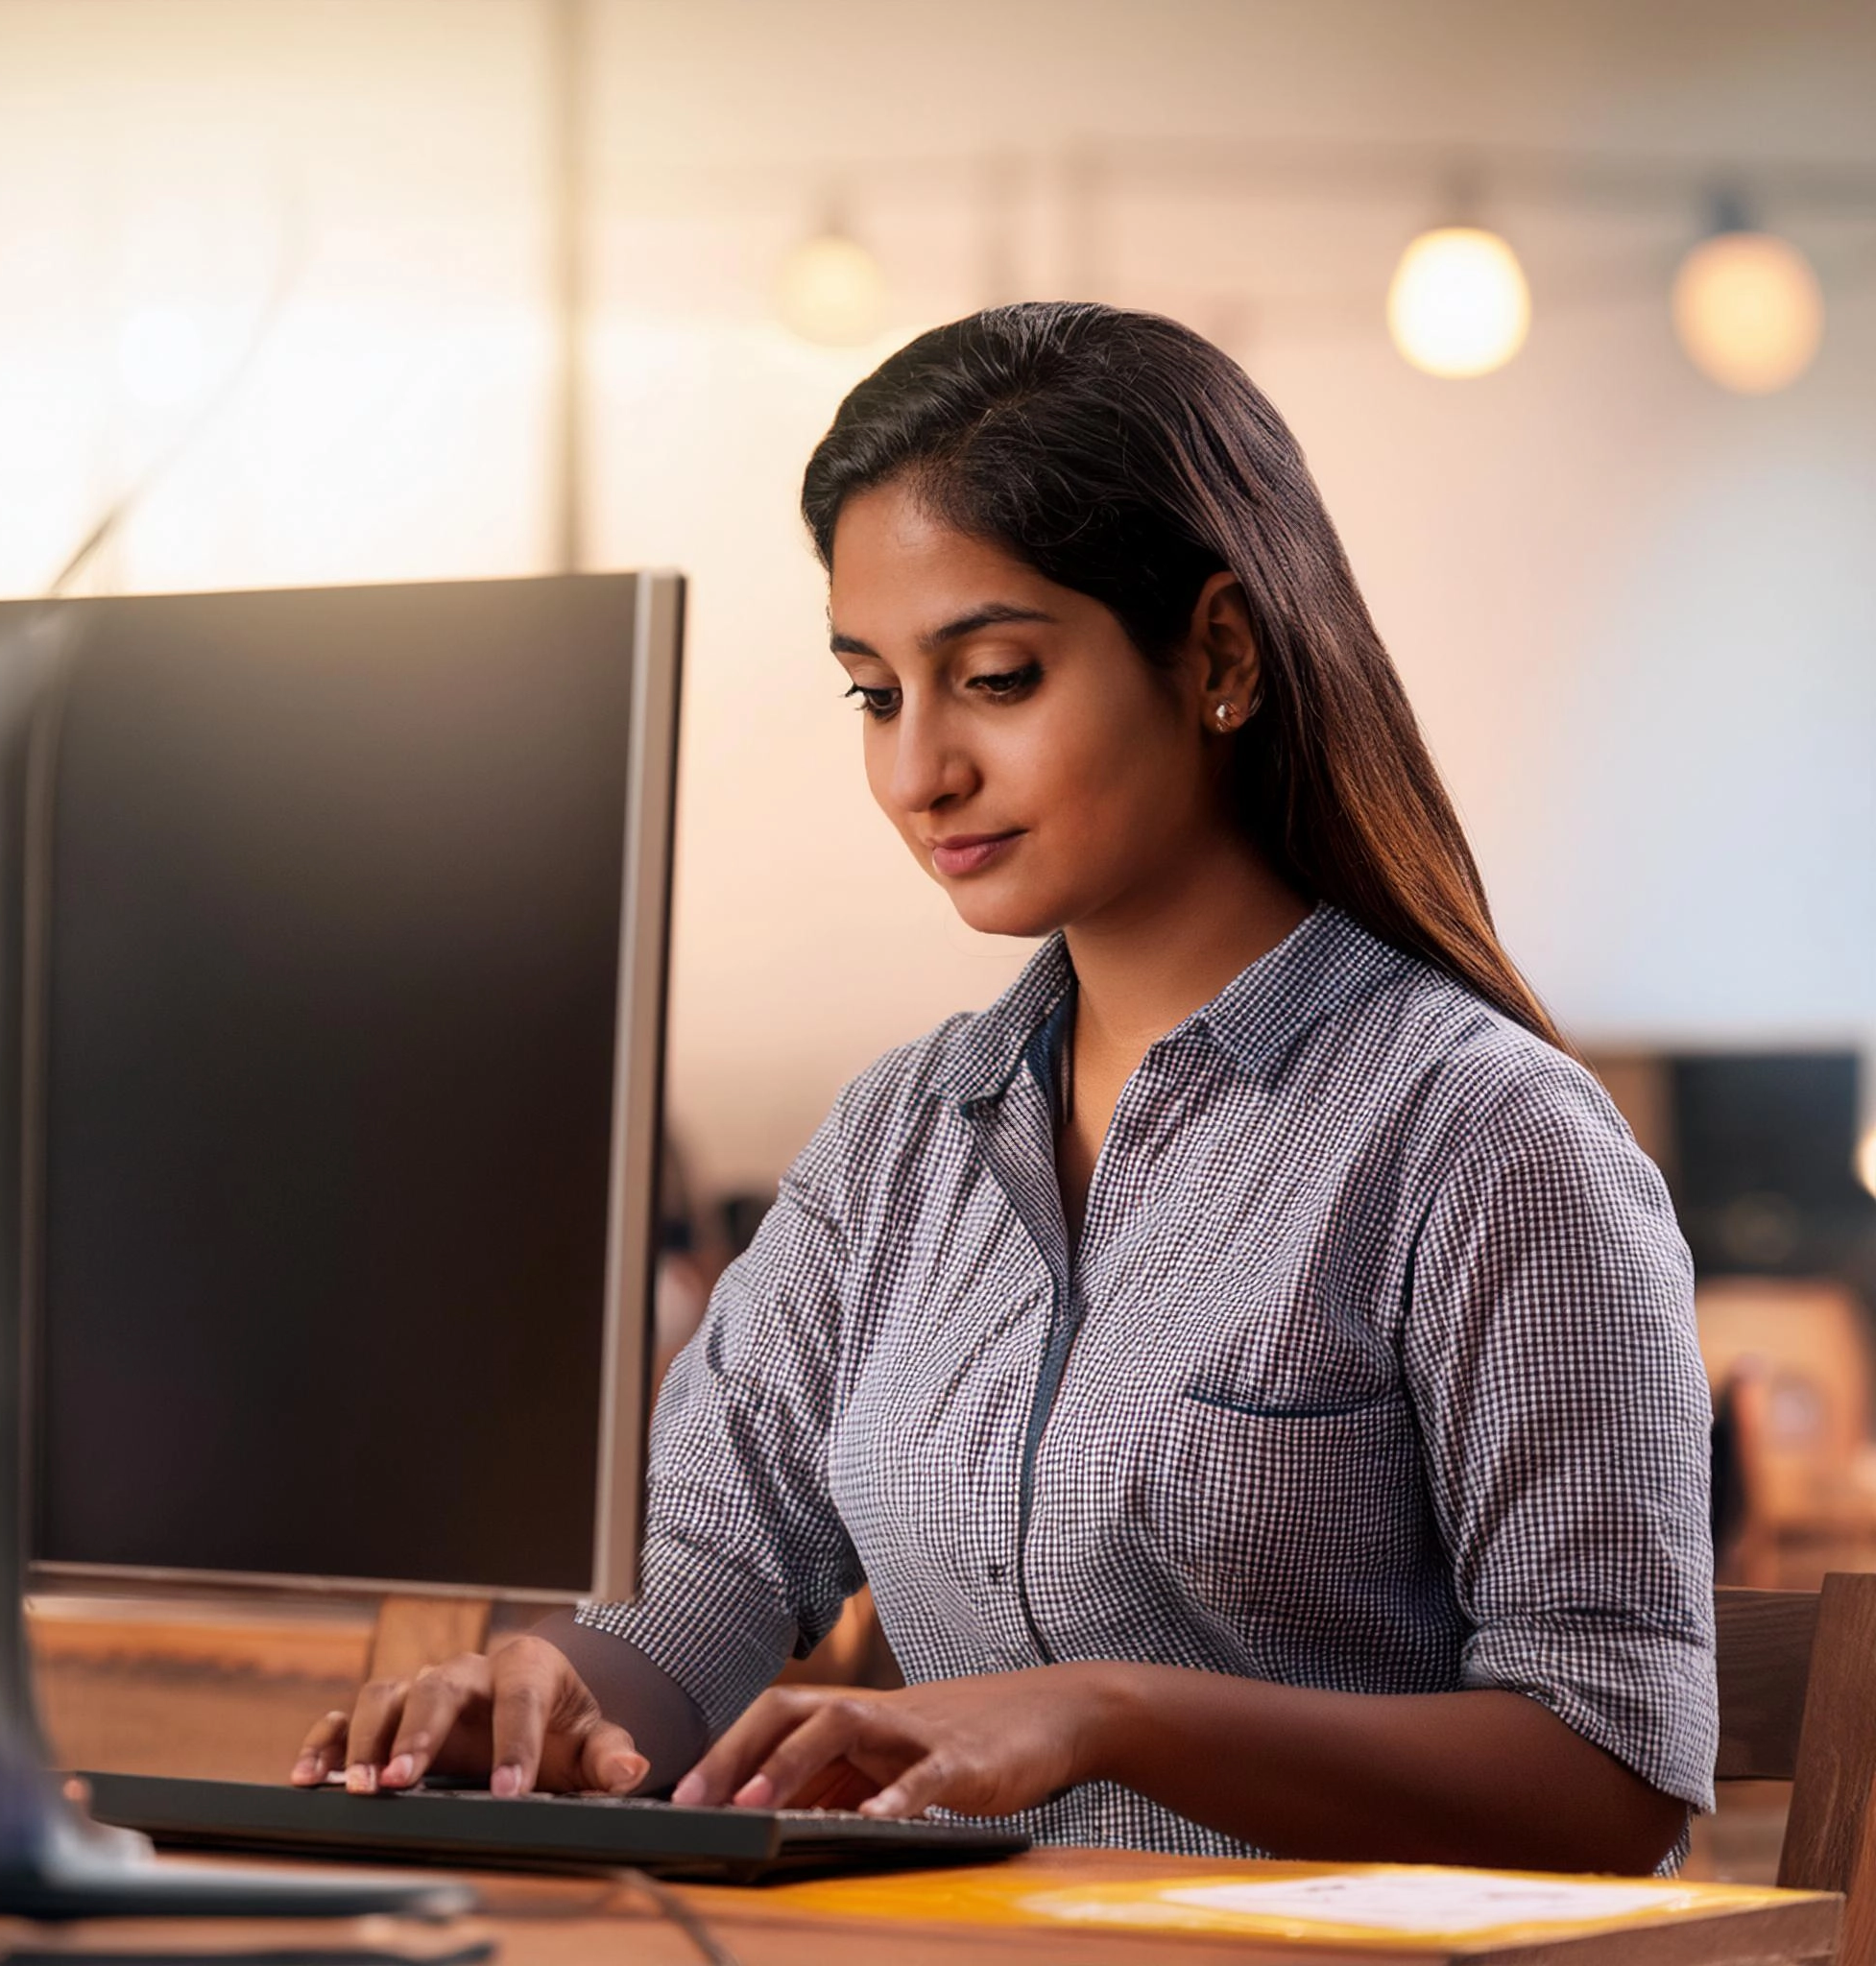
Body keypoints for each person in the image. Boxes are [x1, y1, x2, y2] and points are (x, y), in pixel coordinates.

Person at [292, 303, 1715, 1870]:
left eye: (995, 677)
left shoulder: (1489, 1142)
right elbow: (703, 1571)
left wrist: (1104, 1712)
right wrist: (548, 1697)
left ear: (1221, 655)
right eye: (875, 694)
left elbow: (1610, 1777)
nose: (920, 773)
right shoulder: (901, 1140)